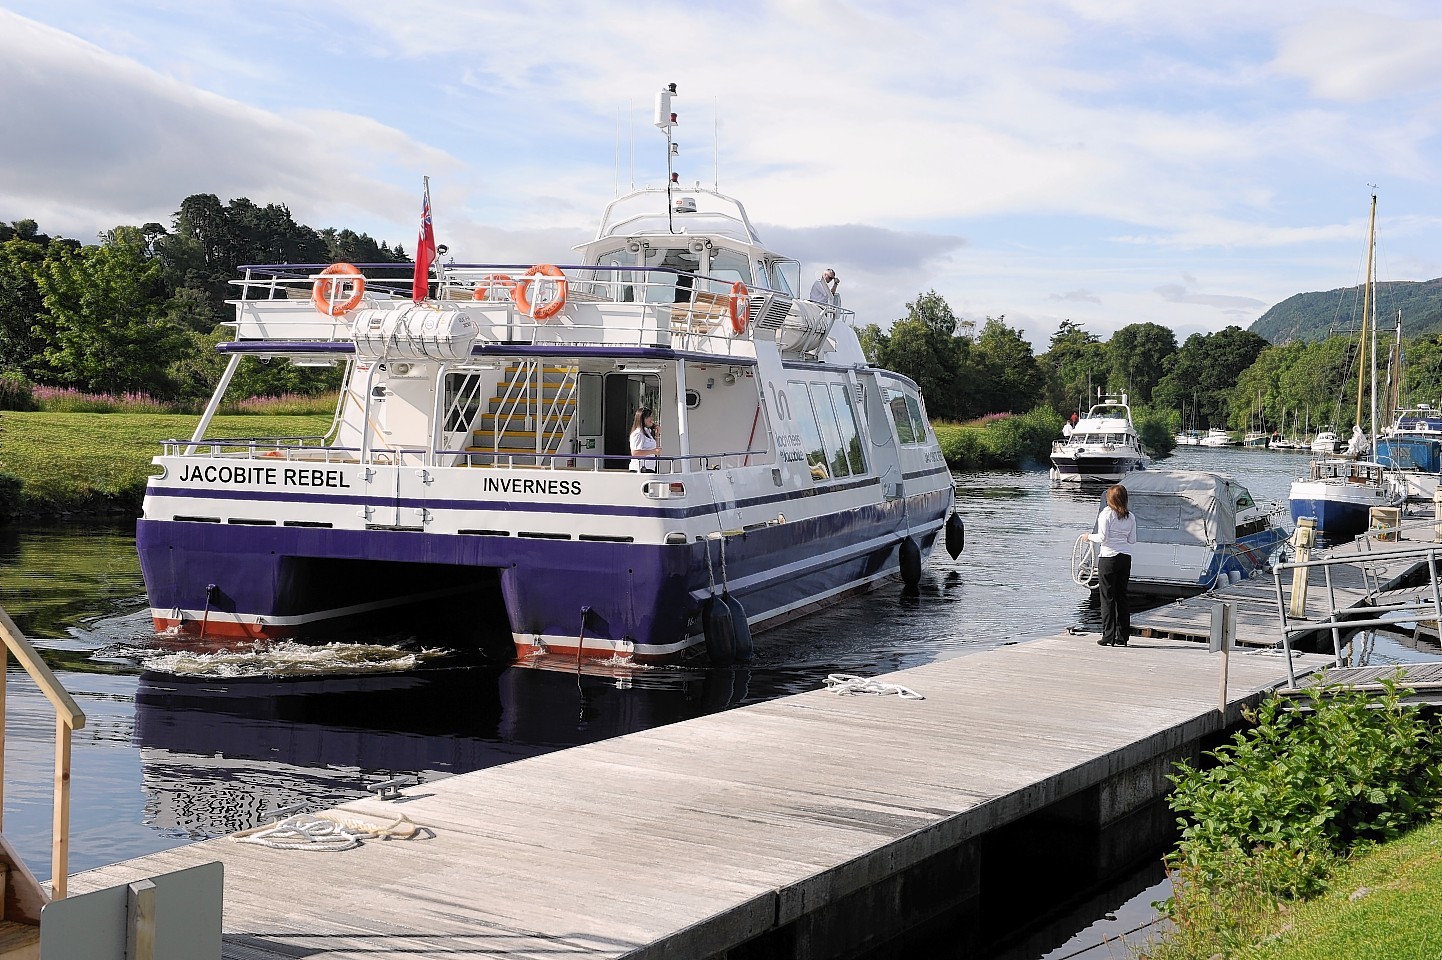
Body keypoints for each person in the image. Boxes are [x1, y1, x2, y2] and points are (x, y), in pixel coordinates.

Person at [1087, 483, 1137, 647]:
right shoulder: (1130, 516)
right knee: (1121, 596)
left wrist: (1088, 537)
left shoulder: (1106, 514)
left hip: (1109, 558)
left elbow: (1102, 537)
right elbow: (1132, 540)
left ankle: (1108, 636)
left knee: (1107, 598)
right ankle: (1122, 637)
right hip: (1125, 558)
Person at [629, 407, 661, 472]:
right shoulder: (638, 433)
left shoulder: (647, 432)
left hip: (649, 467)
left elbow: (655, 449)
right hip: (640, 468)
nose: (651, 419)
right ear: (643, 419)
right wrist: (653, 451)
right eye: (649, 417)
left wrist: (657, 435)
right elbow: (635, 453)